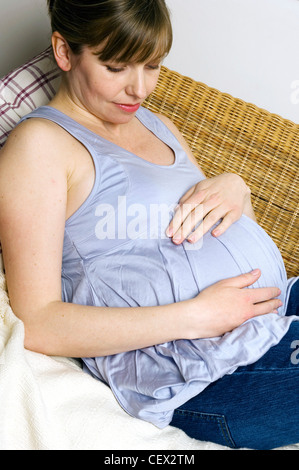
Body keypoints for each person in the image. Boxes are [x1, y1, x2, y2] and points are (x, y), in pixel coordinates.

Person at [0, 0, 298, 450]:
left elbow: (223, 233)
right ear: (64, 52)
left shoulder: (160, 125)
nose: (139, 88)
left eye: (152, 65)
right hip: (204, 373)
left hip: (273, 310)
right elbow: (37, 321)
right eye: (117, 66)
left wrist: (238, 189)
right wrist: (195, 317)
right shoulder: (39, 147)